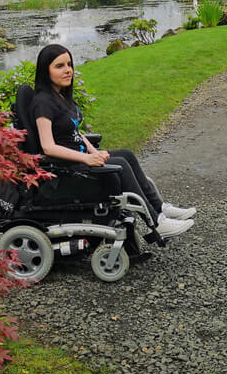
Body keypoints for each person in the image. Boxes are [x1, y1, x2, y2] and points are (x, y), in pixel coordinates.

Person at [29, 44, 195, 238]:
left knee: (126, 155)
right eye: (59, 66)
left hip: (79, 160)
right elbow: (48, 147)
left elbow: (75, 132)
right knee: (121, 164)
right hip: (66, 170)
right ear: (45, 69)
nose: (68, 70)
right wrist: (86, 159)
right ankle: (156, 223)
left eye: (69, 64)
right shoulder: (43, 102)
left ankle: (160, 208)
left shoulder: (60, 96)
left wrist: (93, 152)